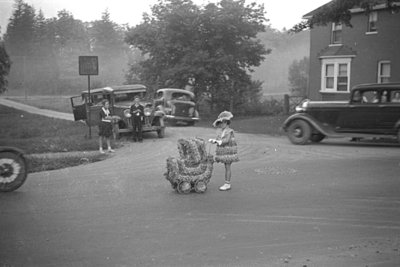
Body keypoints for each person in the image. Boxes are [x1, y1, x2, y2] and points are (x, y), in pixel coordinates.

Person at [209, 111, 239, 191]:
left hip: (229, 152)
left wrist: (220, 142)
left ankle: (227, 183)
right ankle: (227, 183)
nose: (220, 125)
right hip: (225, 152)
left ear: (226, 122)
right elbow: (219, 139)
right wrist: (215, 140)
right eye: (220, 123)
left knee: (227, 167)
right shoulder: (221, 131)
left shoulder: (229, 131)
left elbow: (226, 140)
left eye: (222, 123)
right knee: (226, 166)